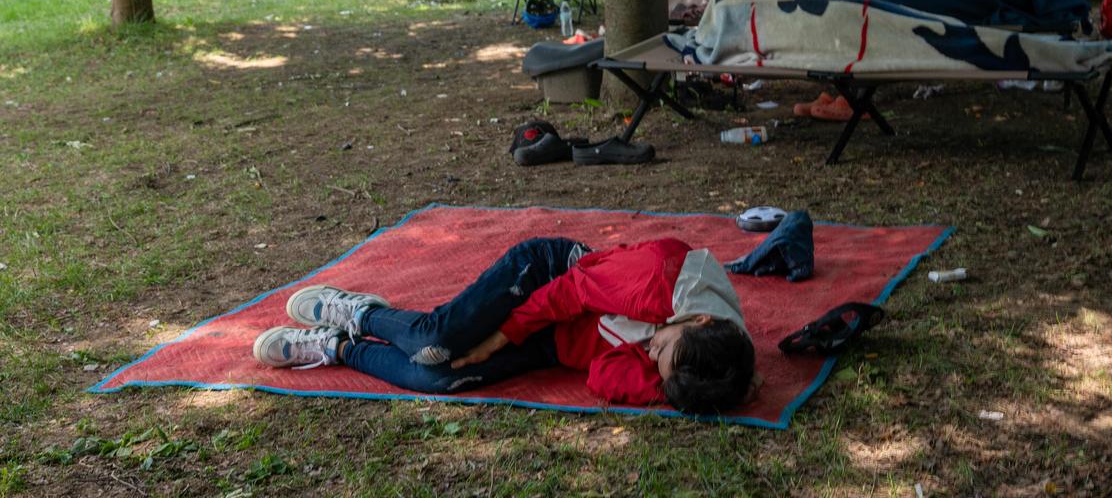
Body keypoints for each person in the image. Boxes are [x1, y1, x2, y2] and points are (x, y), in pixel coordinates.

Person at [252, 236, 757, 414]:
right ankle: (362, 311)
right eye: (661, 346)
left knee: (438, 376)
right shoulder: (654, 280)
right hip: (551, 275)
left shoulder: (703, 369)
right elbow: (569, 292)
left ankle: (342, 347)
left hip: (556, 342)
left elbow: (603, 376)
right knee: (440, 340)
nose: (650, 356)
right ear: (696, 318)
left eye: (657, 370)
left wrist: (659, 378)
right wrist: (498, 338)